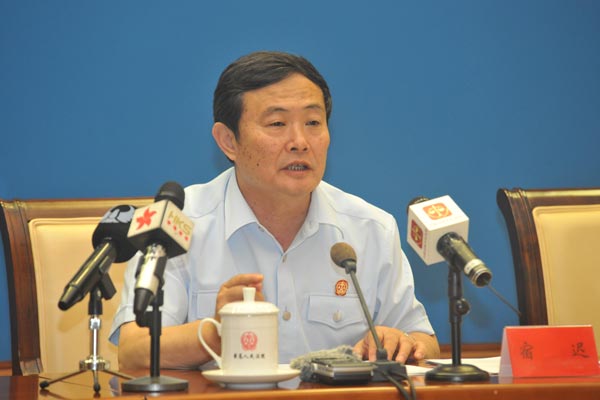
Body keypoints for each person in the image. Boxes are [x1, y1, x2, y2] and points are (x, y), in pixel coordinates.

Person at [109, 50, 440, 370]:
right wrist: (216, 332)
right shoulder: (175, 225)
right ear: (228, 141)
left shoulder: (371, 228)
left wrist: (401, 342)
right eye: (278, 123)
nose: (300, 142)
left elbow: (424, 340)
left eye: (313, 122)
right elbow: (134, 351)